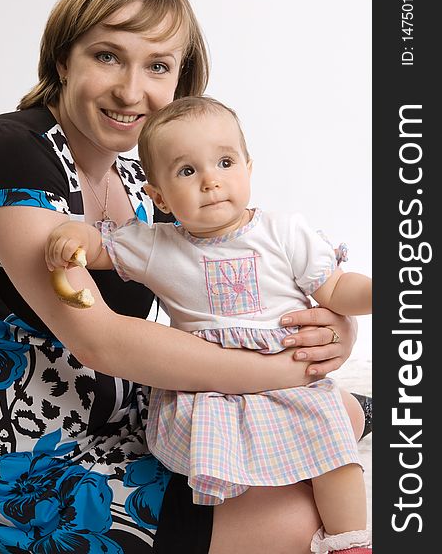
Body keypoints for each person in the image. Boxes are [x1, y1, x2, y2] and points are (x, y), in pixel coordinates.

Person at [0, 0, 369, 554]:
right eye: (107, 56)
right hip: (28, 449)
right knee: (297, 520)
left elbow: (224, 285)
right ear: (64, 59)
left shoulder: (149, 183)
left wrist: (335, 328)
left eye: (158, 66)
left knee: (338, 415)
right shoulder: (10, 151)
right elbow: (101, 341)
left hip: (130, 409)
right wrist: (289, 370)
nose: (132, 92)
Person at [45, 95, 372, 554]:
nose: (211, 181)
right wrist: (73, 233)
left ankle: (349, 541)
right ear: (157, 195)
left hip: (289, 378)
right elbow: (101, 247)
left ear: (249, 168)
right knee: (226, 460)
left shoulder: (283, 232)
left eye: (224, 162)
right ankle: (259, 499)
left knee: (334, 451)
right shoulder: (159, 245)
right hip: (209, 389)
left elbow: (337, 289)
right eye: (186, 171)